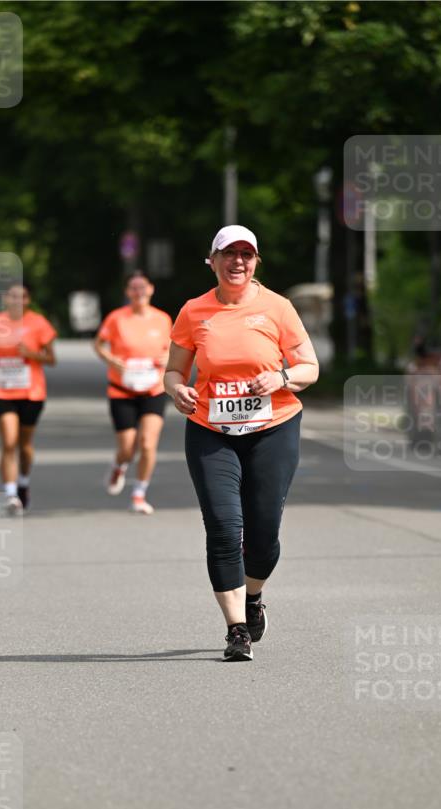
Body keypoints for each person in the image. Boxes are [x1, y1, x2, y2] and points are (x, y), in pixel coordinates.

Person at [164, 225, 319, 661]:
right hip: (211, 430)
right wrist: (176, 390)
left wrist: (281, 377)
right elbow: (173, 371)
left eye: (246, 255)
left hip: (274, 428)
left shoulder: (277, 307)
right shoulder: (194, 311)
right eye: (228, 254)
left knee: (263, 534)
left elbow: (310, 367)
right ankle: (236, 630)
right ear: (212, 261)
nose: (237, 262)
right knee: (223, 528)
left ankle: (253, 597)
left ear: (256, 262)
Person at [94, 271, 172, 514]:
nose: (139, 292)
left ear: (151, 289)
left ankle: (139, 494)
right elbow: (98, 344)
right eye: (134, 288)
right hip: (122, 390)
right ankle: (119, 464)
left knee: (147, 444)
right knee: (128, 448)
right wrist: (111, 360)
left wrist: (168, 357)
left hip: (153, 389)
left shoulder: (162, 319)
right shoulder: (117, 318)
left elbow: (173, 348)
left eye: (142, 287)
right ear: (128, 292)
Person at [0, 283, 57, 515]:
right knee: (9, 441)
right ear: (6, 299)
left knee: (25, 445)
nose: (16, 300)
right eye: (12, 296)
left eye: (21, 297)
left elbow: (52, 359)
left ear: (27, 300)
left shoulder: (38, 323)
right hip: (1, 390)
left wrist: (31, 354)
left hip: (31, 392)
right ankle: (11, 494)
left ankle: (23, 481)